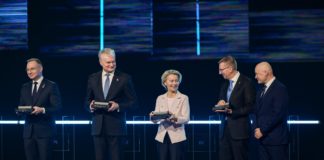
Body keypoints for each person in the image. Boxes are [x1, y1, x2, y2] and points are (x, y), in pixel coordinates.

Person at [85, 48, 138, 160]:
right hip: (98, 127)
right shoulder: (93, 78)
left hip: (116, 127)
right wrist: (90, 106)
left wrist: (119, 106)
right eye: (108, 62)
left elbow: (134, 103)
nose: (112, 64)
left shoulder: (125, 78)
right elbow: (86, 101)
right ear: (100, 62)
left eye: (113, 61)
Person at [18, 58, 62, 160]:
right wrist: (19, 111)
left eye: (32, 69)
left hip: (45, 132)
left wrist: (42, 110)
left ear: (40, 68)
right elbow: (21, 105)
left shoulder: (51, 86)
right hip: (28, 133)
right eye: (27, 70)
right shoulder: (24, 87)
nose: (29, 72)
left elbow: (58, 107)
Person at [214, 56, 255, 160]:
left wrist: (233, 111)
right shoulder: (224, 84)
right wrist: (221, 104)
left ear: (230, 68)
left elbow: (251, 106)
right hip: (225, 131)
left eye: (221, 70)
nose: (219, 73)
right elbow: (222, 101)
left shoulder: (246, 82)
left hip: (239, 132)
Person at [150, 69, 190, 160]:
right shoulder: (160, 98)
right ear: (165, 82)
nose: (174, 83)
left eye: (176, 81)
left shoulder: (184, 98)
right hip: (161, 136)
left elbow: (186, 118)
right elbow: (156, 119)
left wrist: (174, 118)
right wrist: (153, 117)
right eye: (171, 81)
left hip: (177, 136)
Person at [253, 62, 289, 160]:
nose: (255, 77)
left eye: (257, 74)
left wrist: (262, 130)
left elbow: (278, 114)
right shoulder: (260, 91)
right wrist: (256, 128)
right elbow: (256, 112)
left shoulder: (280, 89)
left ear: (266, 72)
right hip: (262, 140)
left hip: (276, 141)